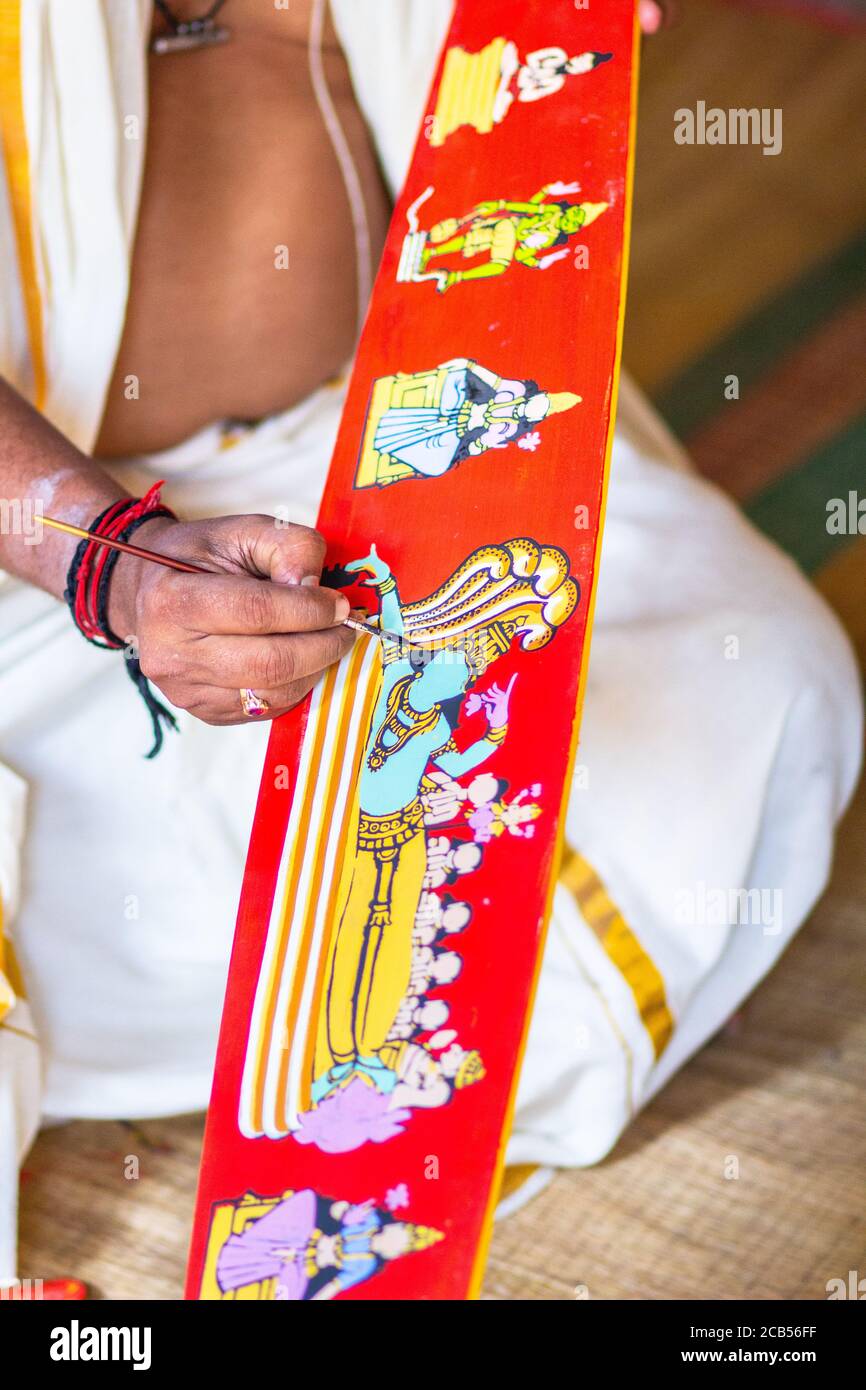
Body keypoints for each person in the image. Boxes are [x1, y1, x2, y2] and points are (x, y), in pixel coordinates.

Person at [0, 0, 861, 1292]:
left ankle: (426, 1018)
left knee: (753, 671)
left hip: (388, 443)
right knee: (240, 819)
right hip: (42, 547)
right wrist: (109, 561)